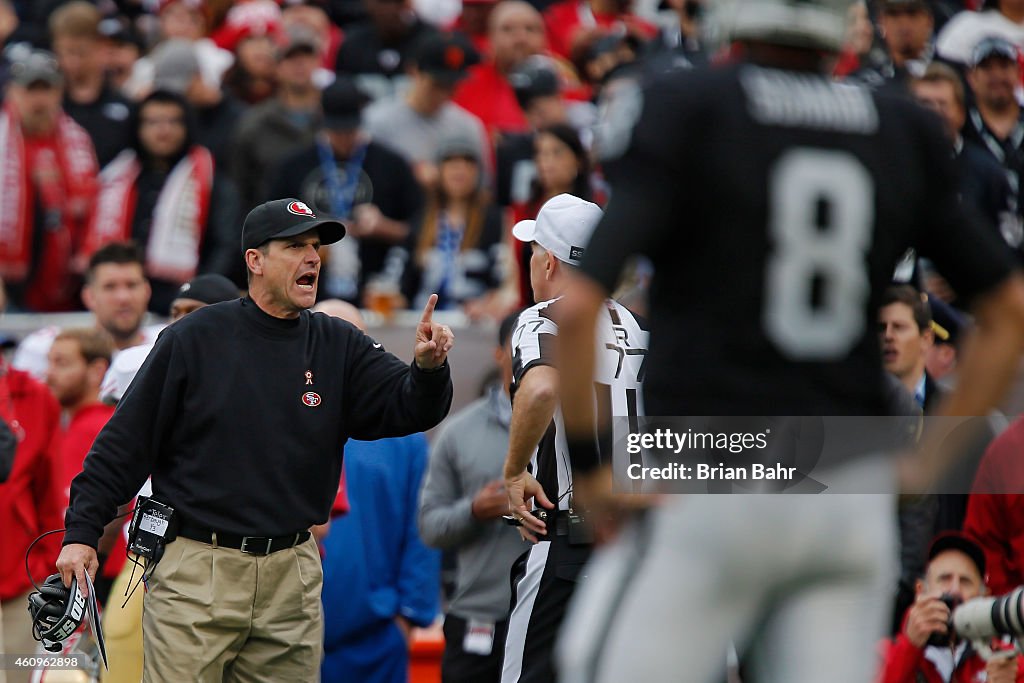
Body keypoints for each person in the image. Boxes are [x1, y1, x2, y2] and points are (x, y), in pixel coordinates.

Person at [553, 0, 1024, 678]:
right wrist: (928, 459)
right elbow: (1009, 308)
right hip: (844, 474)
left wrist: (592, 472)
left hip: (707, 454)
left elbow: (576, 309)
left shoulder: (688, 103)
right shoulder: (898, 124)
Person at [56, 197, 455, 680]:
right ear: (255, 260)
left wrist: (429, 369)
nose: (312, 257)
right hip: (197, 565)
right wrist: (80, 536)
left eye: (315, 247)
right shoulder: (195, 337)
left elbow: (409, 406)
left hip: (293, 570)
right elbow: (123, 446)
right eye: (295, 246)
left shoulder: (337, 341)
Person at [500, 194, 648, 683]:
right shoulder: (640, 329)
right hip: (638, 538)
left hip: (569, 535)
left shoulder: (543, 317)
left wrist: (514, 469)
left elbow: (542, 387)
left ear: (548, 261)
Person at [97, 272, 239, 683]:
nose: (178, 322)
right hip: (151, 549)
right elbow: (117, 460)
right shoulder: (138, 362)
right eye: (174, 312)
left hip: (236, 548)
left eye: (192, 313)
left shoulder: (260, 366)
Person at [312, 300, 441, 683]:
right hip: (279, 635)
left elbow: (421, 532)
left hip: (375, 645)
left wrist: (407, 620)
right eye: (323, 338)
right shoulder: (271, 422)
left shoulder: (403, 437)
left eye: (350, 340)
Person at [418, 311, 527, 683]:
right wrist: (475, 510)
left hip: (550, 612)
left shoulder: (573, 429)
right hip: (477, 615)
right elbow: (429, 527)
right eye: (521, 345)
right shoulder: (457, 433)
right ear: (499, 354)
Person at [79, 90, 242, 312]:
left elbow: (225, 244)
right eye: (153, 122)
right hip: (122, 301)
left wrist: (199, 292)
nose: (163, 131)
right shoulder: (117, 176)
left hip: (185, 303)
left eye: (173, 122)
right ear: (138, 128)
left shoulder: (211, 179)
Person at [268, 78, 424, 303]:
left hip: (376, 287)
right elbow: (272, 227)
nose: (343, 137)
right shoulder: (294, 166)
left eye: (350, 129)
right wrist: (309, 239)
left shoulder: (392, 165)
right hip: (309, 294)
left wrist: (385, 228)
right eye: (336, 129)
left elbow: (421, 229)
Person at [0, 49, 98, 312]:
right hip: (11, 292)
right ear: (12, 92)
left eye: (46, 89)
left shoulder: (79, 141)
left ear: (59, 93)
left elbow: (96, 208)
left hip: (70, 289)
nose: (39, 99)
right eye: (30, 90)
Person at [0, 312, 62, 683]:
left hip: (18, 581)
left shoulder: (35, 397)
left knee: (17, 678)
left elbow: (49, 493)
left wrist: (45, 568)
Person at [878, 531, 1024, 683]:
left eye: (965, 581)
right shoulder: (884, 655)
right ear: (921, 591)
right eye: (944, 578)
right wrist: (909, 646)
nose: (954, 589)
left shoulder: (1005, 660)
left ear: (984, 597)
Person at [13, 242, 163, 382]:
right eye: (110, 287)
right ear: (89, 296)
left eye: (131, 285)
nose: (123, 298)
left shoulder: (167, 346)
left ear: (147, 291)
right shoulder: (46, 348)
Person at [399, 134, 507, 317]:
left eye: (468, 161)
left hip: (473, 323)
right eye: (451, 161)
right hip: (424, 320)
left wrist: (489, 302)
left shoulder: (494, 220)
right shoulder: (421, 220)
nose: (460, 169)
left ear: (478, 171)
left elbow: (504, 279)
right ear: (439, 170)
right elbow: (402, 281)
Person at [363, 31, 488, 189]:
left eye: (453, 86)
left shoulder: (467, 127)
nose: (444, 94)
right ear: (413, 71)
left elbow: (483, 190)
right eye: (438, 84)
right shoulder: (378, 122)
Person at [230, 28, 325, 211]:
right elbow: (241, 188)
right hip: (275, 228)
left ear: (318, 62)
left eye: (306, 56)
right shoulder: (254, 123)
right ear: (276, 66)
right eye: (290, 57)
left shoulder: (338, 116)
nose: (299, 64)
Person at [48, 1, 133, 167]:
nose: (72, 62)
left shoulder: (126, 107)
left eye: (80, 52)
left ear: (101, 47)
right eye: (64, 52)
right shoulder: (48, 105)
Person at [849, 0, 934, 91]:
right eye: (894, 14)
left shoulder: (947, 67)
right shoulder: (865, 79)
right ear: (882, 22)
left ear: (929, 21)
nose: (903, 24)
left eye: (912, 13)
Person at [880, 286, 940, 412]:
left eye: (899, 327)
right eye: (881, 327)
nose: (888, 336)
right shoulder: (853, 408)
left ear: (926, 338)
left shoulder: (950, 409)